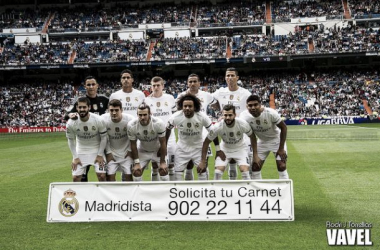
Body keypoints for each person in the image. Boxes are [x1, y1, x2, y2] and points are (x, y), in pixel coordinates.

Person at [65, 75, 109, 182]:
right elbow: (68, 115)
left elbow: (115, 109)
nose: (91, 86)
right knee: (82, 176)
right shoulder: (80, 101)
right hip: (84, 144)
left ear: (97, 86)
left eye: (93, 84)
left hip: (102, 141)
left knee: (104, 173)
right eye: (88, 85)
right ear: (85, 86)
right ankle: (85, 197)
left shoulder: (104, 99)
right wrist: (69, 115)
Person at [167, 94, 219, 181]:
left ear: (195, 107)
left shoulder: (202, 116)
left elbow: (213, 132)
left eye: (190, 106)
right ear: (181, 107)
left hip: (198, 148)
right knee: (178, 176)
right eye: (185, 106)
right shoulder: (175, 117)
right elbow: (167, 129)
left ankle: (203, 193)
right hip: (181, 149)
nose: (187, 108)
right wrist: (164, 146)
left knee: (202, 172)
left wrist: (217, 149)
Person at [198, 105, 258, 180]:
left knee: (245, 172)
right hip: (225, 149)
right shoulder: (218, 126)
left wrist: (255, 155)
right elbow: (206, 142)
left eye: (230, 115)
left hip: (240, 149)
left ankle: (246, 191)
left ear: (235, 115)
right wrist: (204, 160)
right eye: (225, 115)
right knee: (217, 173)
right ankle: (217, 191)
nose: (228, 118)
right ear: (222, 115)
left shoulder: (242, 124)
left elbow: (252, 137)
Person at [211, 68, 251, 180]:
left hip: (242, 131)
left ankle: (249, 190)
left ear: (237, 78)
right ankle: (231, 188)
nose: (229, 78)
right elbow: (210, 102)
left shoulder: (245, 93)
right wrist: (219, 110)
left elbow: (251, 108)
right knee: (230, 162)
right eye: (227, 75)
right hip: (226, 129)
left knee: (247, 165)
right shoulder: (219, 92)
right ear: (225, 78)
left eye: (232, 75)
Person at [176, 73, 215, 180]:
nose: (192, 84)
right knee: (188, 164)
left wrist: (219, 115)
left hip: (203, 134)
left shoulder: (206, 95)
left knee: (203, 164)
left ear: (199, 83)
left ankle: (204, 190)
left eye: (195, 81)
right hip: (187, 134)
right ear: (187, 83)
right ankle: (189, 190)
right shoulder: (181, 96)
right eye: (190, 82)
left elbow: (216, 104)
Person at [240, 95, 289, 179]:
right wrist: (255, 155)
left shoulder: (270, 113)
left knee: (281, 166)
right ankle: (257, 191)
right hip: (262, 141)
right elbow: (252, 136)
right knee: (255, 167)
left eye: (255, 104)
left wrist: (281, 149)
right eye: (250, 105)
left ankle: (285, 191)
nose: (253, 107)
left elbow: (284, 127)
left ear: (260, 104)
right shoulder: (244, 116)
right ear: (246, 106)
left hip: (276, 140)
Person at [144, 76, 177, 180]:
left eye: (158, 85)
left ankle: (172, 188)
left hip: (169, 135)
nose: (156, 87)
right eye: (154, 85)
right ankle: (155, 189)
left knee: (171, 164)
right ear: (151, 87)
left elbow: (174, 114)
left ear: (163, 86)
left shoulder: (170, 98)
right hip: (154, 136)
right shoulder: (146, 100)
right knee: (155, 165)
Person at [127, 103, 168, 181]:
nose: (142, 117)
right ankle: (140, 192)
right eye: (140, 115)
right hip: (142, 151)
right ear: (137, 114)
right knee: (136, 172)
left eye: (145, 115)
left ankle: (164, 192)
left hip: (157, 151)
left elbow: (163, 142)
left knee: (164, 170)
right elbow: (133, 144)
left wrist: (162, 161)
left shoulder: (158, 123)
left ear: (150, 114)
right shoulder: (131, 125)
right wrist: (136, 163)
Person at [101, 99, 135, 181]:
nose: (114, 113)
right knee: (110, 178)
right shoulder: (103, 119)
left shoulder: (130, 120)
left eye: (116, 110)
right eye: (111, 110)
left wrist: (130, 150)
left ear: (121, 110)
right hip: (112, 153)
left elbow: (134, 137)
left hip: (126, 153)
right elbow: (103, 137)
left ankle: (128, 193)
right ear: (108, 110)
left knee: (129, 178)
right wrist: (108, 153)